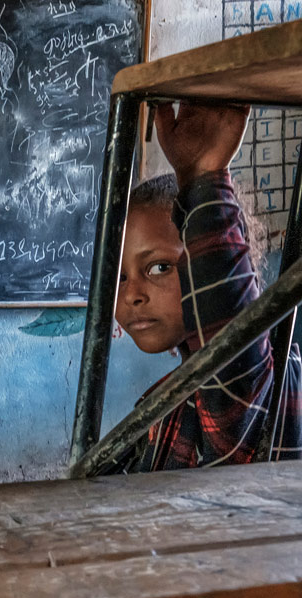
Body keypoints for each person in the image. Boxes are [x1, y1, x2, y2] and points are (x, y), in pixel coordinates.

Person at [116, 102, 301, 470]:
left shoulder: (260, 385)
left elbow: (227, 346)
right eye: (119, 276)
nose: (131, 294)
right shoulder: (162, 406)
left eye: (159, 267)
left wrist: (204, 180)